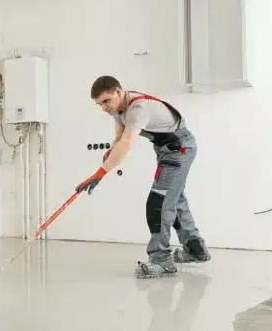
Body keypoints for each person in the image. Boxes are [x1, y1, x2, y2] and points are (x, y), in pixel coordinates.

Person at [75, 75, 211, 278]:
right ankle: (195, 249)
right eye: (99, 104)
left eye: (106, 101)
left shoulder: (138, 109)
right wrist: (111, 152)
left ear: (118, 92)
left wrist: (100, 173)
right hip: (167, 150)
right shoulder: (118, 108)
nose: (104, 107)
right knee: (175, 199)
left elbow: (126, 144)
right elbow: (119, 139)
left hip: (179, 149)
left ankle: (161, 260)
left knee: (159, 202)